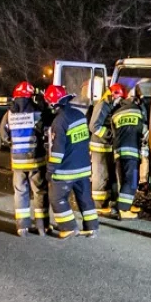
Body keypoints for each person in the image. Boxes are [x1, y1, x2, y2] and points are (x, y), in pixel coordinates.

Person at [43, 85, 98, 238]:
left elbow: (58, 151)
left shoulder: (59, 121)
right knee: (85, 197)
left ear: (53, 103)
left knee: (57, 198)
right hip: (84, 167)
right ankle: (92, 227)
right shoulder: (79, 115)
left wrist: (50, 170)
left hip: (66, 170)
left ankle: (68, 228)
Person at [0, 81, 48, 237]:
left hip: (18, 162)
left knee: (20, 192)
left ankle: (22, 227)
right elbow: (45, 131)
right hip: (36, 160)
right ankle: (42, 226)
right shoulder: (37, 113)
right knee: (39, 192)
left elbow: (4, 135)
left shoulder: (9, 114)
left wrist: (13, 143)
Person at [110, 84, 147, 220]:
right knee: (131, 181)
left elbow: (113, 133)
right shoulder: (137, 110)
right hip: (131, 151)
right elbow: (145, 123)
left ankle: (123, 205)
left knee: (123, 180)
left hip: (118, 151)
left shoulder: (116, 113)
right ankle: (123, 209)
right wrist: (142, 100)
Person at [89, 85, 124, 214]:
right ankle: (99, 205)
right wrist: (110, 134)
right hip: (99, 146)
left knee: (109, 175)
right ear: (114, 94)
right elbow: (94, 126)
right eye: (119, 97)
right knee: (101, 175)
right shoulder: (103, 105)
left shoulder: (110, 105)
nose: (119, 101)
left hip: (107, 146)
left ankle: (108, 201)